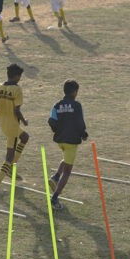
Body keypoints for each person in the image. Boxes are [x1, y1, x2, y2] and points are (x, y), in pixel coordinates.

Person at [0, 63, 29, 194]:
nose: (20, 79)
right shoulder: (17, 90)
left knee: (24, 138)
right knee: (10, 156)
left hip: (3, 123)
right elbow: (17, 110)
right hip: (13, 125)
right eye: (20, 76)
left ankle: (10, 169)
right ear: (16, 76)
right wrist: (24, 121)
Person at [47, 79, 87, 207]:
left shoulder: (56, 105)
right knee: (68, 172)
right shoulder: (76, 105)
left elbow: (51, 121)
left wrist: (57, 130)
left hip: (60, 140)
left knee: (66, 159)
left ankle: (56, 177)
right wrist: (83, 134)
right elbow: (80, 123)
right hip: (71, 141)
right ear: (75, 92)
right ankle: (54, 198)